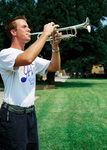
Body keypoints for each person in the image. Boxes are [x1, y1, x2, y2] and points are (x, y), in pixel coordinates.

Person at [0, 16, 61, 150]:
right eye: (24, 27)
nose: (29, 29)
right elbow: (27, 59)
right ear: (13, 32)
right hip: (13, 116)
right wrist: (45, 34)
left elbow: (54, 67)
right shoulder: (5, 54)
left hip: (30, 114)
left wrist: (55, 45)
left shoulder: (32, 56)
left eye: (28, 26)